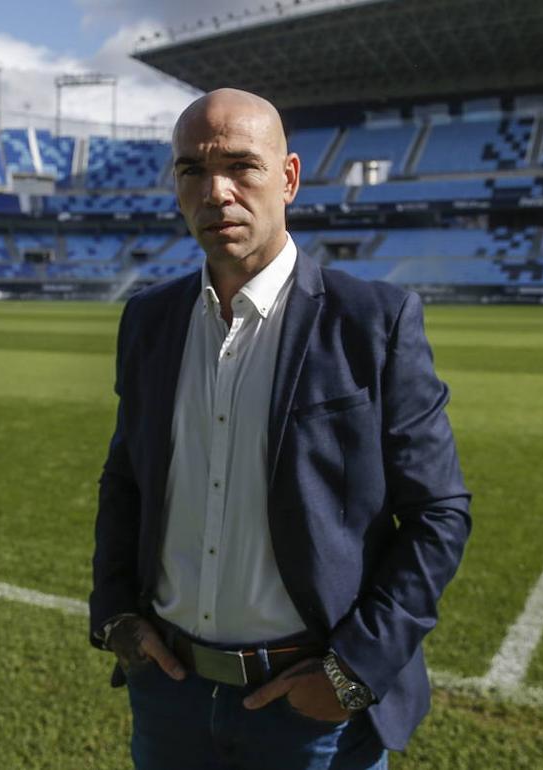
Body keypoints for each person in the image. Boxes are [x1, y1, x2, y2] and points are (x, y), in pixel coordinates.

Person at [89, 88, 471, 770]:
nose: (217, 192)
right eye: (192, 171)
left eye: (242, 166)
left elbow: (438, 514)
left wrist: (353, 671)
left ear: (289, 177)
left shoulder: (372, 322)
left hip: (308, 711)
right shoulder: (148, 320)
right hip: (169, 697)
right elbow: (126, 480)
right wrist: (118, 616)